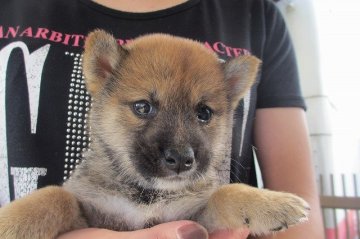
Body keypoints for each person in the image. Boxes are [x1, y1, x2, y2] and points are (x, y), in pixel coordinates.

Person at [0, 0, 325, 238]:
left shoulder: (259, 15)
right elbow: (72, 207)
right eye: (143, 108)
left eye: (203, 113)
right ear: (104, 71)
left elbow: (300, 211)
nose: (181, 148)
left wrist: (236, 200)